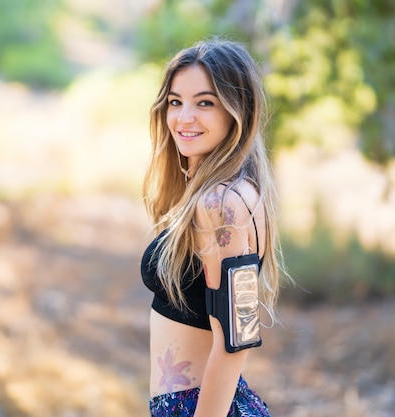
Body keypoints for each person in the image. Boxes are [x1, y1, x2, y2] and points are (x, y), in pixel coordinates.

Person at [141, 38, 284, 417]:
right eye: (176, 102)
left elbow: (237, 339)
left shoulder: (221, 204)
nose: (184, 117)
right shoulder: (233, 191)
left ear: (238, 111)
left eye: (205, 102)